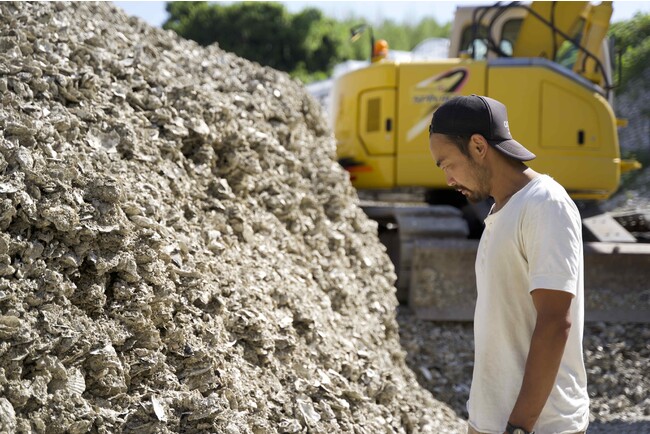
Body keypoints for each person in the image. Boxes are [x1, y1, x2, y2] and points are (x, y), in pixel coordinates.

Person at [427, 95, 589, 434]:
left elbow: (555, 322)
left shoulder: (545, 204)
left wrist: (518, 426)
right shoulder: (503, 210)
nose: (448, 180)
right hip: (493, 421)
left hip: (537, 426)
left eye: (446, 164)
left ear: (478, 146)